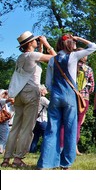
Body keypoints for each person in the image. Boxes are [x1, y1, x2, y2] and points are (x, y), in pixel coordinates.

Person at [37, 34, 96, 170]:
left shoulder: (53, 60)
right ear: (70, 44)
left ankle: (46, 162)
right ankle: (65, 163)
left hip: (56, 96)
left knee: (52, 129)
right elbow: (94, 46)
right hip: (70, 96)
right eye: (73, 42)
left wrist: (56, 92)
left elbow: (48, 83)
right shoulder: (73, 56)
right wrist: (80, 39)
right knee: (70, 128)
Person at [1, 31, 56, 168]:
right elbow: (56, 58)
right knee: (27, 128)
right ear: (30, 43)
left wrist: (40, 46)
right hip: (31, 92)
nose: (37, 41)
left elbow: (37, 62)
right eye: (35, 40)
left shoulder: (21, 57)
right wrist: (46, 43)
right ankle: (18, 159)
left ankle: (6, 159)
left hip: (18, 93)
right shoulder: (33, 55)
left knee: (15, 127)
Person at [75, 50, 95, 155]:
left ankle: (62, 145)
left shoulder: (71, 66)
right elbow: (92, 86)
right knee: (78, 123)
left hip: (71, 96)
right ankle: (75, 147)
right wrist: (86, 92)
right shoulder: (88, 69)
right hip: (83, 98)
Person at [29, 85, 50, 153]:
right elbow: (50, 105)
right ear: (42, 91)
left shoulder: (34, 98)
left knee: (36, 136)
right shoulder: (43, 99)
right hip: (42, 119)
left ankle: (32, 150)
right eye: (44, 89)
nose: (46, 90)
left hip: (35, 120)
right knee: (46, 136)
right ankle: (44, 151)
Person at [0, 90, 14, 154]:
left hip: (4, 122)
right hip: (2, 122)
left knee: (4, 137)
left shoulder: (4, 103)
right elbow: (9, 100)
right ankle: (1, 150)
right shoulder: (1, 101)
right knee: (4, 138)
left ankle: (2, 149)